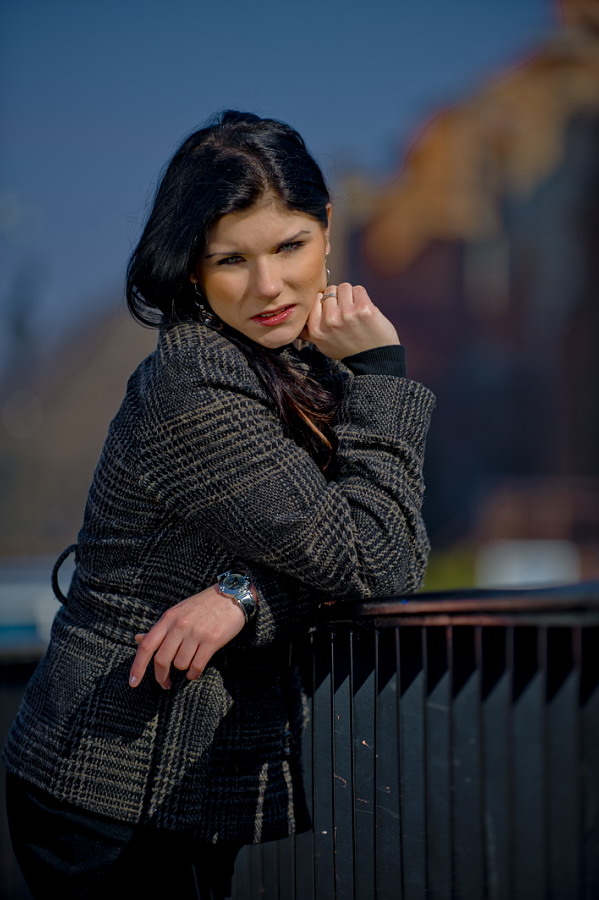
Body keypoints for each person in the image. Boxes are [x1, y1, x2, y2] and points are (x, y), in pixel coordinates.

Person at [3, 110, 435, 898]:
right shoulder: (196, 383)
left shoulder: (290, 365)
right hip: (107, 791)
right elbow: (379, 558)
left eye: (289, 246)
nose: (268, 286)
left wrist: (243, 598)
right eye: (231, 259)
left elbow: (352, 555)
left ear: (327, 230)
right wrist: (379, 374)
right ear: (192, 270)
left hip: (176, 788)